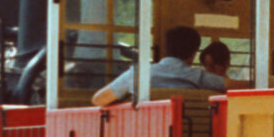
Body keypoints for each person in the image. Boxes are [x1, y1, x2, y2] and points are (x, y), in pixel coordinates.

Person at [92, 25, 224, 106]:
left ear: (166, 49)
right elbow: (233, 86)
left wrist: (125, 100)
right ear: (193, 53)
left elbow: (98, 99)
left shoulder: (137, 75)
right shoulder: (199, 77)